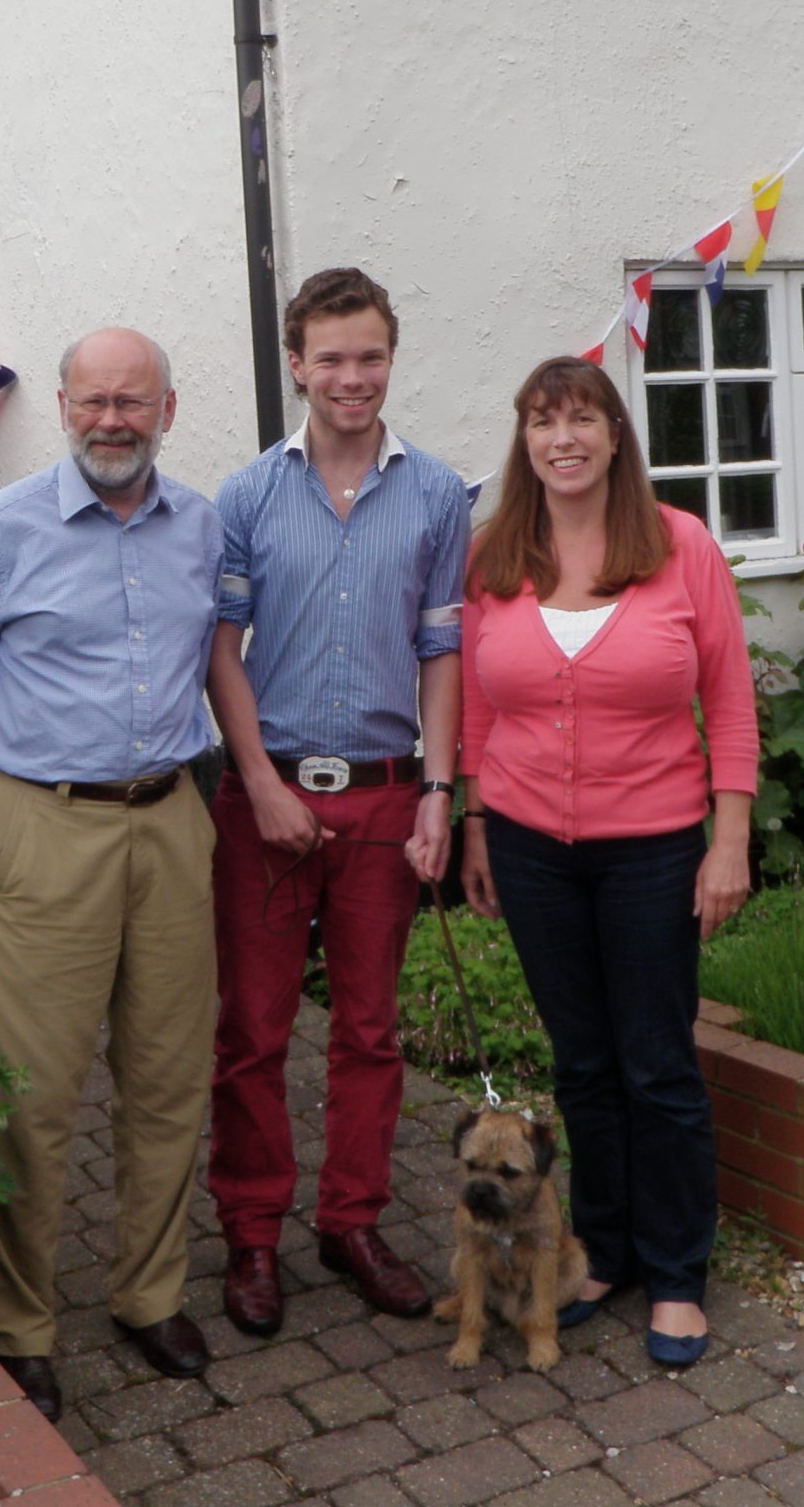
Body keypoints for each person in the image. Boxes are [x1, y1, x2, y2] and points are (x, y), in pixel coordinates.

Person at [0, 326, 223, 1423]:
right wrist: (29, 793)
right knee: (30, 1090)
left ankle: (149, 1296)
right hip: (42, 823)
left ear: (168, 410)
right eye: (93, 401)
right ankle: (16, 1322)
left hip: (172, 819)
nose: (113, 419)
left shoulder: (201, 528)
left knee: (163, 1074)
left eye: (133, 402)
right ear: (60, 408)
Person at [456, 355, 758, 1369]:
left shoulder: (678, 546)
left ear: (614, 434)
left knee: (657, 1065)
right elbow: (478, 713)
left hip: (654, 852)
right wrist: (475, 828)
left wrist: (729, 840)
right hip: (532, 850)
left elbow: (728, 704)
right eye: (543, 421)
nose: (563, 438)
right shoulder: (496, 552)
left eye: (582, 418)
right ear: (524, 441)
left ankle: (677, 1275)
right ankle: (609, 1250)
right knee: (582, 1066)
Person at [205, 268, 470, 1334]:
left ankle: (350, 1222)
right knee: (252, 1034)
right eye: (331, 358)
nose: (350, 377)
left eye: (369, 356)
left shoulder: (440, 494)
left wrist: (439, 795)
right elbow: (218, 652)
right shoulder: (246, 497)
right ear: (296, 365)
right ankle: (253, 1235)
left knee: (369, 1031)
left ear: (389, 359)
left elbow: (442, 652)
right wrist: (260, 782)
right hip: (263, 804)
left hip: (382, 800)